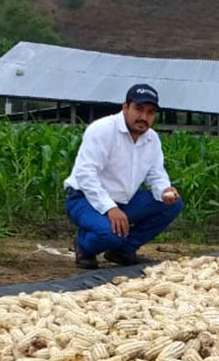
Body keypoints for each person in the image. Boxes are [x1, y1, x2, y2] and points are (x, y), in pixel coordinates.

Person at [64, 83, 182, 269]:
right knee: (109, 234)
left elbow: (156, 174)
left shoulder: (152, 139)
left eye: (150, 112)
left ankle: (122, 250)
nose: (143, 117)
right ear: (125, 107)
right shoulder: (103, 130)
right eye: (139, 109)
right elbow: (86, 175)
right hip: (84, 198)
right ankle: (84, 246)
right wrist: (110, 208)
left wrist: (165, 190)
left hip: (124, 201)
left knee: (172, 204)